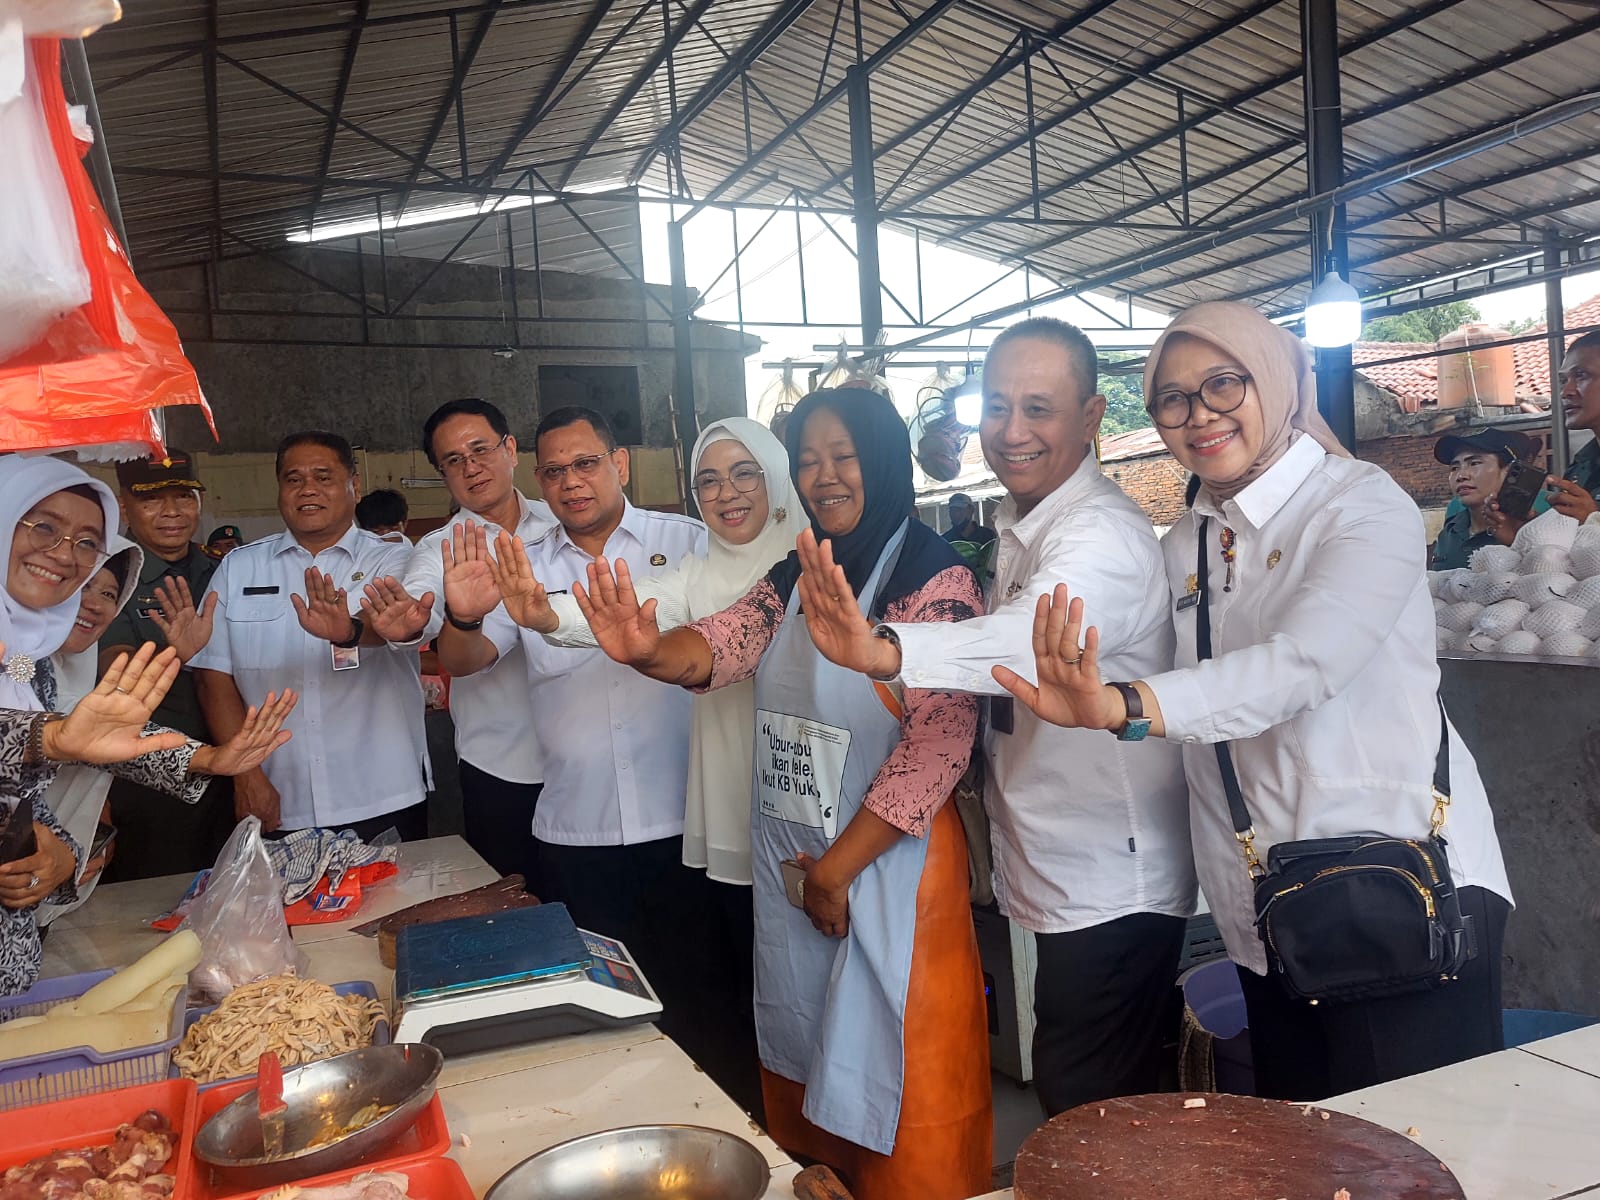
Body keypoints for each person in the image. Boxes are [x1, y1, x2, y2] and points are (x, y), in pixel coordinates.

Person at [993, 301, 1513, 1102]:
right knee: (1304, 1155)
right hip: (1264, 906)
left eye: (1222, 384)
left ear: (1274, 380)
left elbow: (1304, 664)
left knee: (1418, 1153)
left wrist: (1125, 704)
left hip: (1395, 888)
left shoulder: (1360, 504)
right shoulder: (1187, 542)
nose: (1198, 414)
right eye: (1173, 398)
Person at [574, 389, 991, 1200]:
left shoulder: (934, 580)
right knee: (808, 1047)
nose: (824, 476)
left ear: (883, 460)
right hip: (799, 858)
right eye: (808, 460)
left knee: (903, 1073)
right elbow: (719, 649)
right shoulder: (795, 571)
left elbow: (940, 743)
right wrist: (646, 651)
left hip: (890, 863)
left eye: (844, 457)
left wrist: (835, 874)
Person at [799, 318, 1196, 1116]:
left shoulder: (1101, 534)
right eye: (998, 406)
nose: (1012, 432)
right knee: (1092, 1101)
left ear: (1091, 419)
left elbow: (1031, 640)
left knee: (1091, 1109)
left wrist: (884, 648)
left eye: (1040, 409)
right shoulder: (1027, 526)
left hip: (1112, 885)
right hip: (1066, 871)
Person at [484, 415, 800, 1118]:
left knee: (762, 993)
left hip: (804, 813)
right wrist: (543, 618)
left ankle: (783, 1140)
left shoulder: (811, 563)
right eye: (709, 480)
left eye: (745, 473)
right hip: (710, 812)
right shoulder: (700, 566)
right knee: (687, 993)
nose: (727, 494)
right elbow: (639, 623)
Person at [427, 406, 703, 1037]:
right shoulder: (522, 565)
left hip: (690, 826)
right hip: (579, 833)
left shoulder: (686, 542)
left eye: (586, 464)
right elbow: (464, 661)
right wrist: (465, 616)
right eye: (553, 472)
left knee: (704, 1003)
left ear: (620, 464)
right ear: (538, 479)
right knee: (603, 1019)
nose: (571, 482)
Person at [0, 455, 297, 995]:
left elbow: (69, 741)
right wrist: (52, 746)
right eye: (43, 526)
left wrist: (210, 760)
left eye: (86, 543)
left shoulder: (25, 658)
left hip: (17, 943)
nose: (64, 557)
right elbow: (51, 735)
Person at [191, 432, 431, 840]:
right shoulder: (238, 568)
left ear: (354, 486)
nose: (308, 490)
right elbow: (213, 676)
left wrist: (351, 630)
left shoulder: (395, 558)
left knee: (396, 903)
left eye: (323, 477)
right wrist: (246, 775)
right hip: (279, 795)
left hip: (384, 791)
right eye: (294, 479)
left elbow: (401, 625)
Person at [358, 399, 554, 884]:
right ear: (443, 474)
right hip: (501, 765)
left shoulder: (563, 525)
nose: (471, 467)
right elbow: (422, 605)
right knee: (515, 905)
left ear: (510, 449)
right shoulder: (440, 547)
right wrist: (408, 622)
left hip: (590, 757)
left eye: (480, 449)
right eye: (452, 460)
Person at [99, 449, 233, 881]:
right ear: (123, 504)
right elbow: (111, 670)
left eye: (183, 496)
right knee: (154, 900)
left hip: (229, 769)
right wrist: (178, 654)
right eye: (153, 499)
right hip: (151, 778)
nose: (172, 512)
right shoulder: (109, 576)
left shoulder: (222, 569)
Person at [37, 536, 142, 924]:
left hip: (40, 898)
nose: (95, 603)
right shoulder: (14, 659)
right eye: (83, 586)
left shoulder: (79, 668)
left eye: (110, 593)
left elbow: (97, 746)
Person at [1429, 429, 1544, 570]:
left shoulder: (1533, 529)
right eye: (1454, 467)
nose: (1461, 475)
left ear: (1509, 470)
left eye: (1474, 463)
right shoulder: (1450, 531)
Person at [1549, 329, 1600, 520]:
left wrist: (1593, 519)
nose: (1566, 391)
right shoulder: (1581, 466)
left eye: (1581, 375)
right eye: (1564, 380)